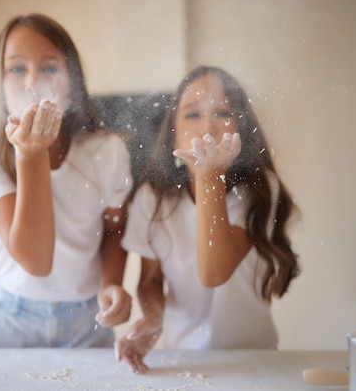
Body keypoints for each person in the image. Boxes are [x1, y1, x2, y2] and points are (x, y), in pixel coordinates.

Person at [0, 13, 133, 348]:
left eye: (50, 68)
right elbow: (36, 261)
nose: (33, 82)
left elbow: (114, 228)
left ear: (73, 84)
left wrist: (111, 283)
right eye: (17, 69)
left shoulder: (106, 150)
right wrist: (30, 155)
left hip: (87, 320)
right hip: (10, 319)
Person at [115, 66, 300, 373]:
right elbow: (150, 281)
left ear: (241, 128)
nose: (208, 126)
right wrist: (151, 320)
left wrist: (209, 174)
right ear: (173, 130)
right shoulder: (153, 197)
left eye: (223, 113)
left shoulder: (256, 190)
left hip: (255, 361)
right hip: (183, 359)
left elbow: (214, 272)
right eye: (192, 114)